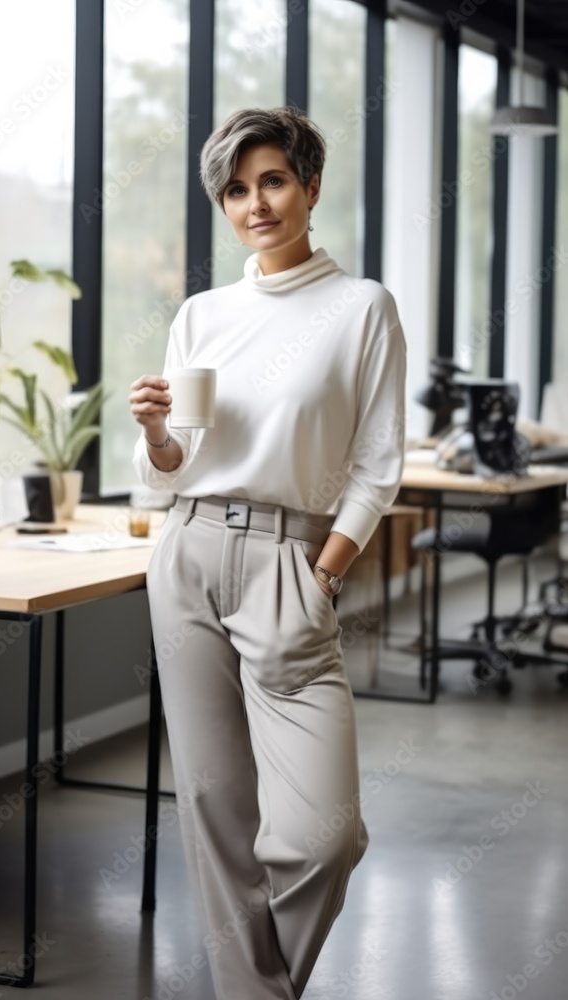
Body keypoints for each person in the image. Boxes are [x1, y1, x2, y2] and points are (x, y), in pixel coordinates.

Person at [129, 106, 406, 999]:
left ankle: (254, 986)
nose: (256, 203)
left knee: (325, 833)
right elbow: (167, 474)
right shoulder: (203, 315)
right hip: (188, 557)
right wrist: (157, 434)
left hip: (291, 565)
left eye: (273, 180)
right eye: (236, 190)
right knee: (214, 807)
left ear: (311, 185)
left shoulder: (361, 306)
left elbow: (375, 466)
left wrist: (324, 571)